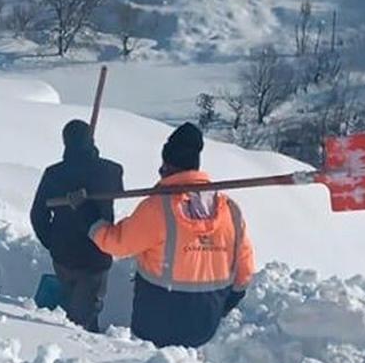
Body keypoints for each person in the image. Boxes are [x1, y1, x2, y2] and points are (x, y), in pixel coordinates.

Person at [85, 122, 255, 348]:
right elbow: (244, 268)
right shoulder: (230, 210)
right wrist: (228, 301)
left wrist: (91, 221)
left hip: (158, 321)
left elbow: (117, 244)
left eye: (162, 168)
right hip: (206, 321)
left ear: (168, 166)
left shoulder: (158, 208)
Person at [30, 120, 124, 333]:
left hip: (64, 255)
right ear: (92, 140)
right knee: (85, 318)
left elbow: (38, 214)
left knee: (72, 304)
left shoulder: (54, 174)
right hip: (96, 255)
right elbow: (118, 188)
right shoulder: (111, 171)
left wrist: (52, 242)